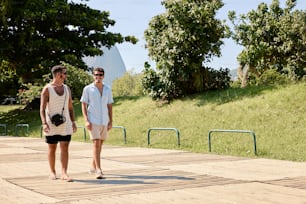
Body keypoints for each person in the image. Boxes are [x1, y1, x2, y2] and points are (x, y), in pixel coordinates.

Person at [40, 65, 77, 181]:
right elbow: (42, 108)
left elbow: (70, 107)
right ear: (57, 74)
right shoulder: (47, 89)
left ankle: (64, 173)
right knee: (52, 148)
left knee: (65, 147)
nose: (65, 76)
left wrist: (73, 121)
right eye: (64, 73)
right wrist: (44, 123)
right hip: (51, 124)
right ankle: (52, 172)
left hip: (65, 123)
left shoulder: (67, 88)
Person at [80, 67, 113, 179]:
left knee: (100, 145)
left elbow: (109, 105)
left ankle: (93, 166)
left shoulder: (108, 89)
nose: (98, 77)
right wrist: (86, 120)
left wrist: (110, 121)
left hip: (104, 120)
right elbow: (83, 104)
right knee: (96, 143)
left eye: (100, 75)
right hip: (93, 120)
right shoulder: (88, 89)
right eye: (96, 75)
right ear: (93, 76)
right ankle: (98, 170)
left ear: (103, 76)